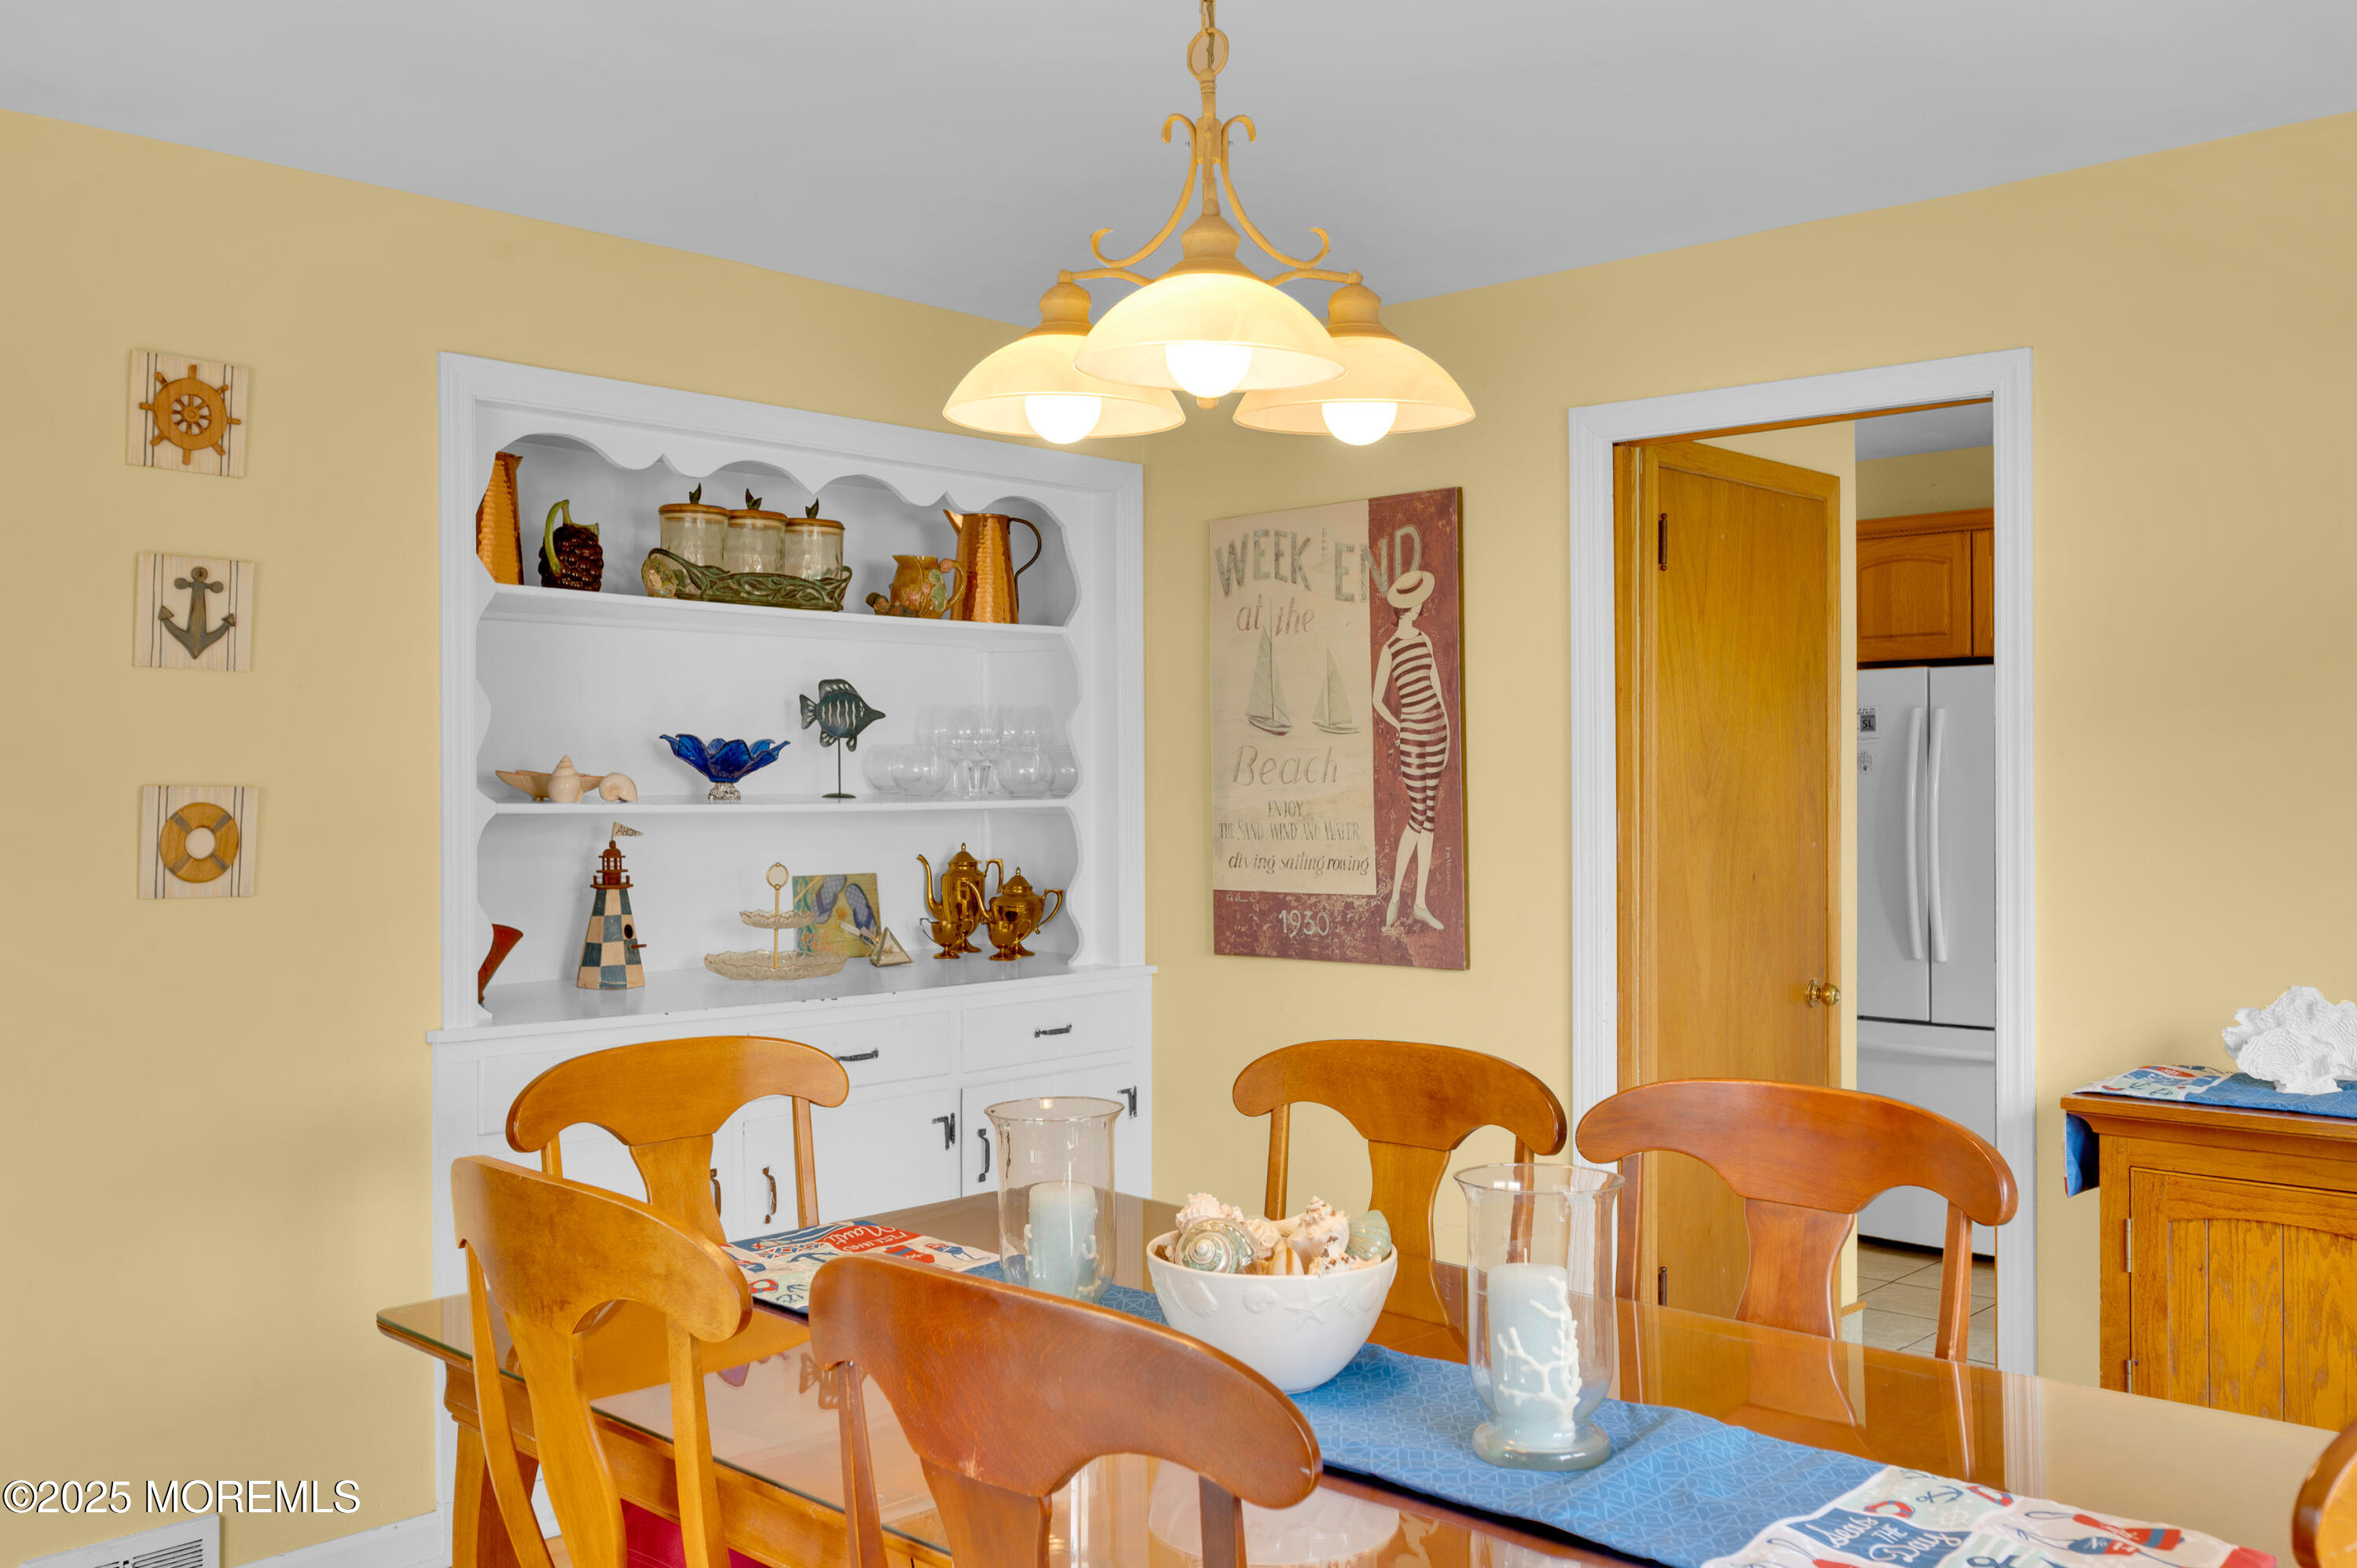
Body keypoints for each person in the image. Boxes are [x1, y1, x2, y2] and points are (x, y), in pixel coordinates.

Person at [1369, 568, 1449, 931]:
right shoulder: (1390, 649)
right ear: (1406, 607)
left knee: (1428, 817)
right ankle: (1397, 895)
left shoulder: (1425, 640)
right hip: (1414, 732)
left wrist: (1445, 728)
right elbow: (1376, 699)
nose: (1421, 606)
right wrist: (1400, 725)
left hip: (1436, 730)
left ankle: (1418, 903)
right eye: (1416, 602)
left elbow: (1437, 688)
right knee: (1420, 815)